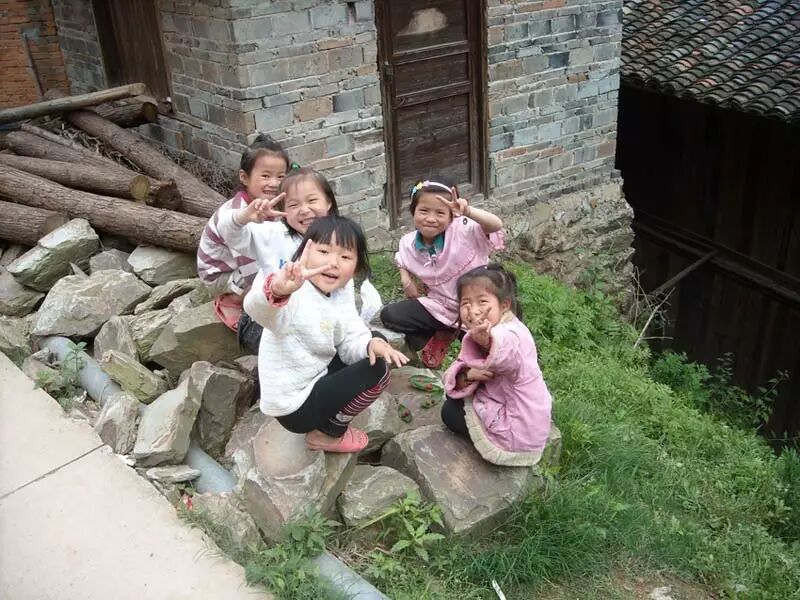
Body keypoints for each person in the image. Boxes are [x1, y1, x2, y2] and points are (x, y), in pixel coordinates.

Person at [243, 215, 408, 453]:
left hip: (313, 374)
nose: (333, 263)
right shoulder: (294, 292)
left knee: (375, 344)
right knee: (378, 372)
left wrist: (369, 344)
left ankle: (330, 415)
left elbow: (350, 333)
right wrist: (277, 291)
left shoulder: (341, 290)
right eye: (323, 251)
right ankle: (328, 433)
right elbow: (257, 310)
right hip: (295, 406)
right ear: (304, 253)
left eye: (345, 256)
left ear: (356, 267)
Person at [380, 177, 505, 368]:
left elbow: (495, 225)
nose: (431, 219)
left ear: (451, 216)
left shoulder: (465, 229)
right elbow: (401, 259)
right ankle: (444, 332)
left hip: (476, 308)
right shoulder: (408, 243)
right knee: (390, 315)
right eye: (424, 211)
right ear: (413, 211)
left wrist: (468, 211)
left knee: (494, 353)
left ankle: (458, 335)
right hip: (440, 306)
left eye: (440, 213)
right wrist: (406, 279)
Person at [215, 166, 339, 352]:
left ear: (328, 202)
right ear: (283, 211)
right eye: (293, 205)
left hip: (314, 319)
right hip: (266, 321)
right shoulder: (272, 234)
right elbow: (228, 233)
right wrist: (243, 217)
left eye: (312, 200)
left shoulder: (340, 239)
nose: (304, 210)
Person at [441, 264, 552, 467]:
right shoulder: (485, 329)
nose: (473, 310)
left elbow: (505, 350)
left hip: (517, 429)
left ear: (504, 305)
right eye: (466, 303)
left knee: (449, 412)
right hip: (513, 411)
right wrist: (468, 375)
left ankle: (496, 447)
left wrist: (485, 342)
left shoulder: (511, 334)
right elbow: (457, 368)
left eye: (482, 301)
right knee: (453, 394)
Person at [197, 134, 291, 338]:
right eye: (265, 176)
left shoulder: (273, 205)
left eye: (280, 176)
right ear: (244, 177)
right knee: (264, 277)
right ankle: (233, 301)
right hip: (219, 273)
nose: (274, 183)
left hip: (241, 263)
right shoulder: (238, 212)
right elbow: (250, 268)